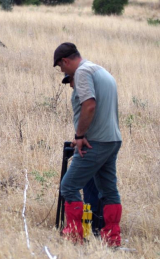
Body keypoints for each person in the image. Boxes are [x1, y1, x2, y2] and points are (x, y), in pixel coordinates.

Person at [53, 43, 122, 246]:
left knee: (68, 186)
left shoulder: (82, 72)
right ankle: (111, 239)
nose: (62, 72)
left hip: (96, 142)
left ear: (65, 61)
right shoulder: (100, 71)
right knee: (109, 191)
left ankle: (74, 238)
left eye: (60, 67)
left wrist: (79, 135)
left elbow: (89, 105)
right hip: (112, 140)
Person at [62, 74, 104, 237]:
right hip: (94, 145)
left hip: (93, 147)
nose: (71, 85)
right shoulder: (88, 97)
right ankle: (93, 226)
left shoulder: (90, 99)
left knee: (82, 186)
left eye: (71, 81)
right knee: (95, 186)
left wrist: (80, 138)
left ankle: (89, 227)